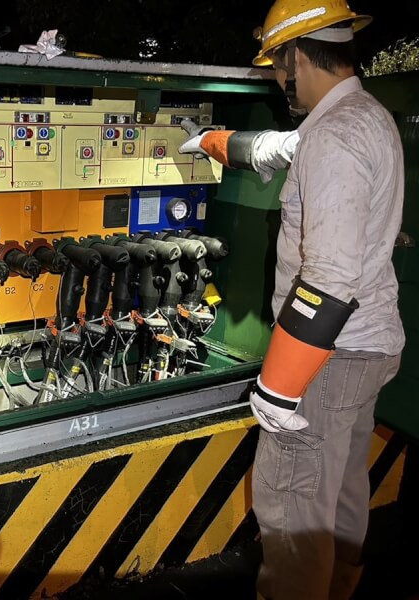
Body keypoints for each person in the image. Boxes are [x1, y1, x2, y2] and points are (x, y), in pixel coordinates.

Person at [179, 1, 405, 599]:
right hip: (369, 349)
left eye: (280, 65)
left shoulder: (332, 134)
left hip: (325, 359)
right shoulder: (367, 116)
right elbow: (274, 150)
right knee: (343, 489)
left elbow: (327, 280)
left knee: (294, 507)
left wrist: (278, 388)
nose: (282, 79)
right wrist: (208, 140)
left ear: (297, 55)